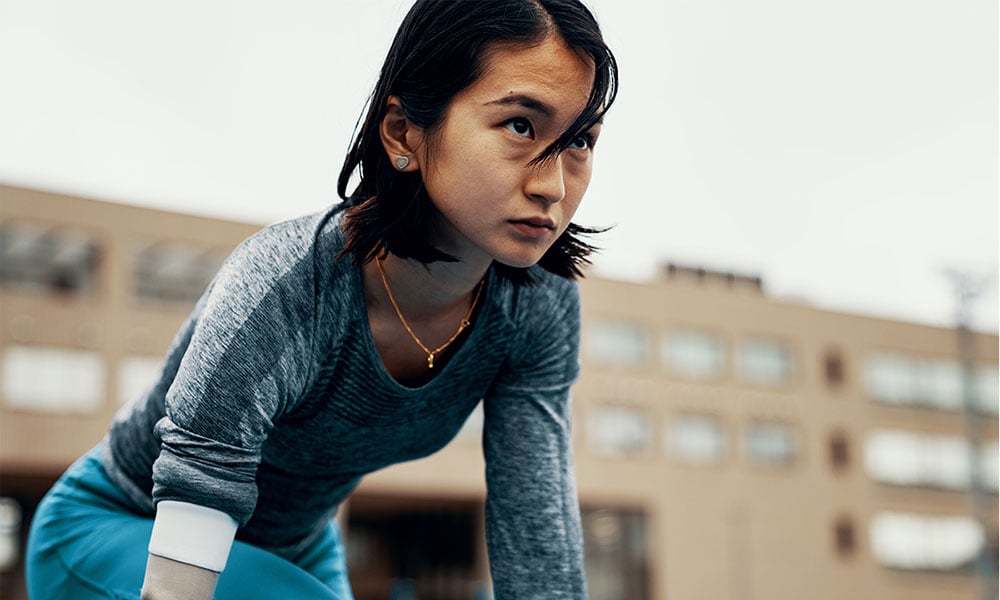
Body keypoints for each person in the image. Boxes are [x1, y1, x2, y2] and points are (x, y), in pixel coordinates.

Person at [24, 0, 618, 598]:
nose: (553, 185)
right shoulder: (285, 283)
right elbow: (181, 552)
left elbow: (534, 528)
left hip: (298, 549)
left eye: (580, 141)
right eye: (520, 125)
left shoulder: (539, 309)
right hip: (126, 526)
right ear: (403, 132)